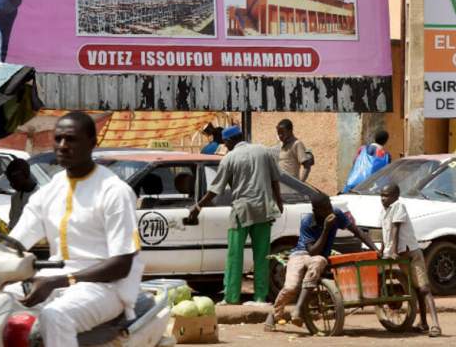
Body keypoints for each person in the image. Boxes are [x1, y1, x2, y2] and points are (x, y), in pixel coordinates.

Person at [9, 112, 142, 347]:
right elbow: (17, 241)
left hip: (105, 289)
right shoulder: (51, 190)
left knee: (56, 316)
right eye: (58, 139)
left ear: (92, 143)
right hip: (54, 280)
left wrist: (60, 281)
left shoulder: (114, 191)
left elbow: (122, 264)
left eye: (70, 139)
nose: (62, 146)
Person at [188, 126, 283, 306]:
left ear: (230, 141)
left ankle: (231, 297)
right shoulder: (264, 151)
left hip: (241, 210)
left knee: (234, 255)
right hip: (264, 208)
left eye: (225, 143)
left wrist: (198, 206)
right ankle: (260, 297)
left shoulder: (229, 158)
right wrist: (279, 202)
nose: (225, 146)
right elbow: (275, 179)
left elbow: (215, 189)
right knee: (262, 255)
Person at [265, 195, 377, 332]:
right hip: (300, 255)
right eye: (325, 209)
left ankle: (298, 309)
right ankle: (274, 313)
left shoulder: (336, 214)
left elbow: (357, 231)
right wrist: (326, 229)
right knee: (291, 287)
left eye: (330, 207)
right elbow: (312, 251)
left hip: (319, 258)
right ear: (316, 210)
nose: (329, 212)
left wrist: (375, 249)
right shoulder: (307, 221)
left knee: (319, 261)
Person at [381, 183, 441, 337]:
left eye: (386, 195)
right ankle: (423, 323)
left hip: (411, 254)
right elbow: (385, 234)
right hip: (400, 256)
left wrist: (392, 250)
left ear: (395, 196)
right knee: (415, 289)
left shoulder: (398, 206)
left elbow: (395, 228)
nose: (382, 198)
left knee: (424, 289)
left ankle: (436, 325)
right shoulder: (384, 211)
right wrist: (382, 251)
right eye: (381, 195)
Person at [5, 158, 37, 230]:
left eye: (15, 180)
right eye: (10, 180)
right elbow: (12, 222)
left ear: (26, 174)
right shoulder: (15, 197)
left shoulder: (39, 197)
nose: (11, 184)